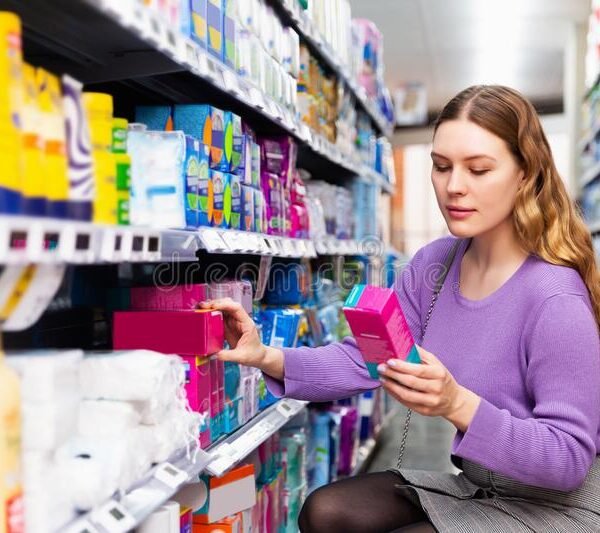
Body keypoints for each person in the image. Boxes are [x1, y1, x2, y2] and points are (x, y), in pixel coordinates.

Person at [201, 85, 600, 532]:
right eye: (442, 166)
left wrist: (457, 403)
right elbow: (367, 359)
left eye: (479, 169)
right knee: (325, 511)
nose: (454, 187)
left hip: (562, 506)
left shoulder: (554, 297)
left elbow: (568, 459)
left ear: (526, 174)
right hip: (483, 485)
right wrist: (265, 356)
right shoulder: (436, 264)